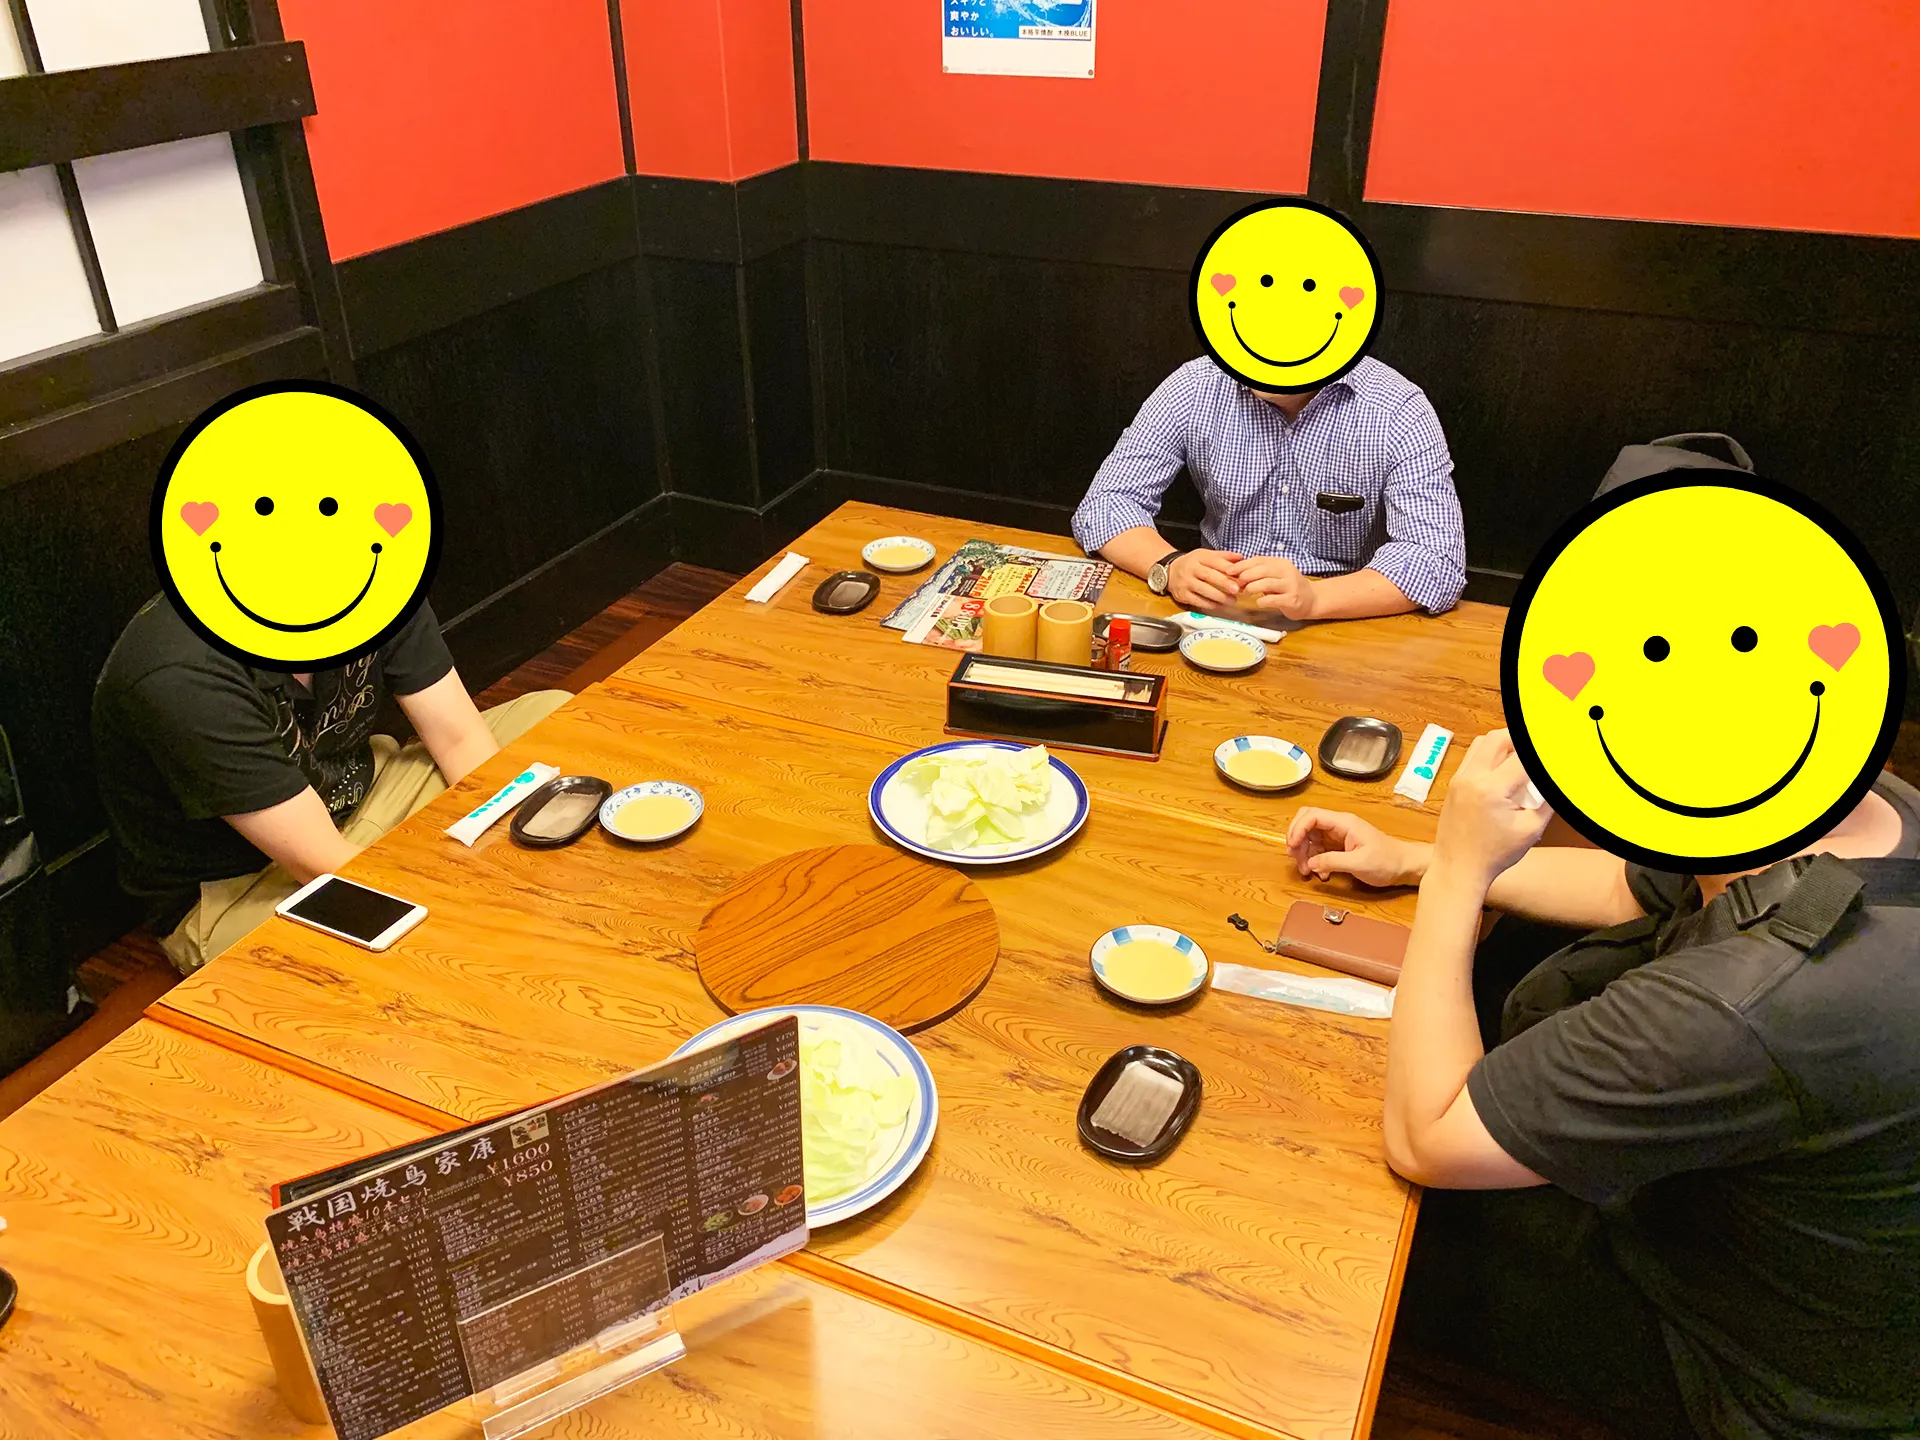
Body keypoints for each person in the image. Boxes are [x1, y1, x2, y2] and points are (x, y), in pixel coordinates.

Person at [1285, 735, 1920, 1440]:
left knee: (1337, 1227)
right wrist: (1418, 858)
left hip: (1748, 1365)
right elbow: (1632, 885)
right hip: (1787, 1217)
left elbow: (1424, 1139)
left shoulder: (1748, 999)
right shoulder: (1854, 802)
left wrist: (1456, 880)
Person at [92, 594, 568, 973]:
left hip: (366, 791)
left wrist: (505, 847)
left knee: (554, 718)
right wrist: (491, 902)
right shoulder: (182, 670)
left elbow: (459, 738)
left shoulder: (375, 575)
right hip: (249, 885)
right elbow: (323, 863)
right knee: (405, 959)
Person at [1071, 355, 1466, 621]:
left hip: (1342, 618)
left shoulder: (1397, 408)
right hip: (1215, 610)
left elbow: (1437, 560)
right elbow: (1105, 503)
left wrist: (1316, 599)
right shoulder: (1195, 385)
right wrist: (1170, 566)